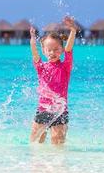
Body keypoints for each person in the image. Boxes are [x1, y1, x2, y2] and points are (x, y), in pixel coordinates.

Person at [29, 16, 76, 144]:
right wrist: (33, 39)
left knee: (58, 147)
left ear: (61, 50)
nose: (52, 52)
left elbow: (69, 49)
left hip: (60, 111)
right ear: (44, 51)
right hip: (43, 110)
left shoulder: (65, 66)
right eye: (49, 50)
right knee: (35, 144)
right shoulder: (41, 67)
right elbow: (34, 54)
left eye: (56, 49)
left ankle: (57, 165)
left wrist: (73, 30)